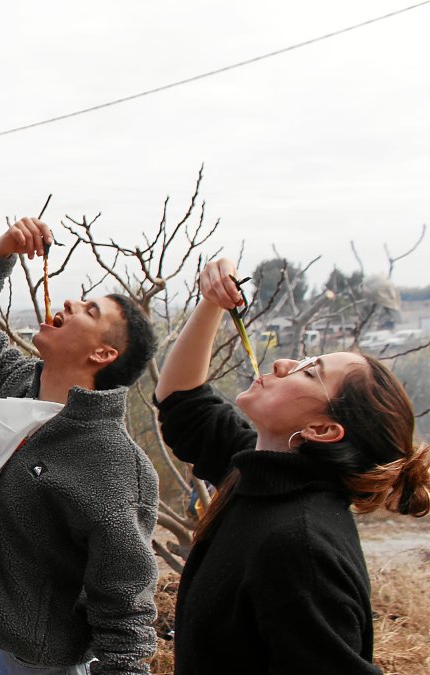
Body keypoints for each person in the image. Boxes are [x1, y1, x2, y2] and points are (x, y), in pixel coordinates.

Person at [154, 258, 430, 674]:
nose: (284, 364)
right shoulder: (260, 473)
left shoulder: (300, 548)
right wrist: (211, 303)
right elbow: (182, 401)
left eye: (309, 372)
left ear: (321, 429)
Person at [0, 216, 160, 675]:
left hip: (38, 665)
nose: (73, 302)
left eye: (91, 312)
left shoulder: (115, 467)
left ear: (102, 354)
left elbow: (126, 610)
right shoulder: (14, 385)